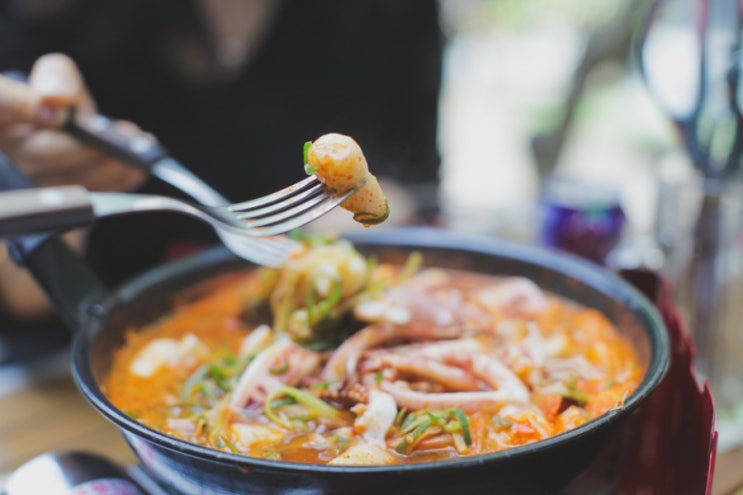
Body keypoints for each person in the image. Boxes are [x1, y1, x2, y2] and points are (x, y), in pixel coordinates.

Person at [0, 0, 444, 361]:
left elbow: (415, 184)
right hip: (64, 372)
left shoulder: (394, 12)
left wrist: (377, 215)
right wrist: (40, 177)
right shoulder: (45, 14)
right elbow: (26, 299)